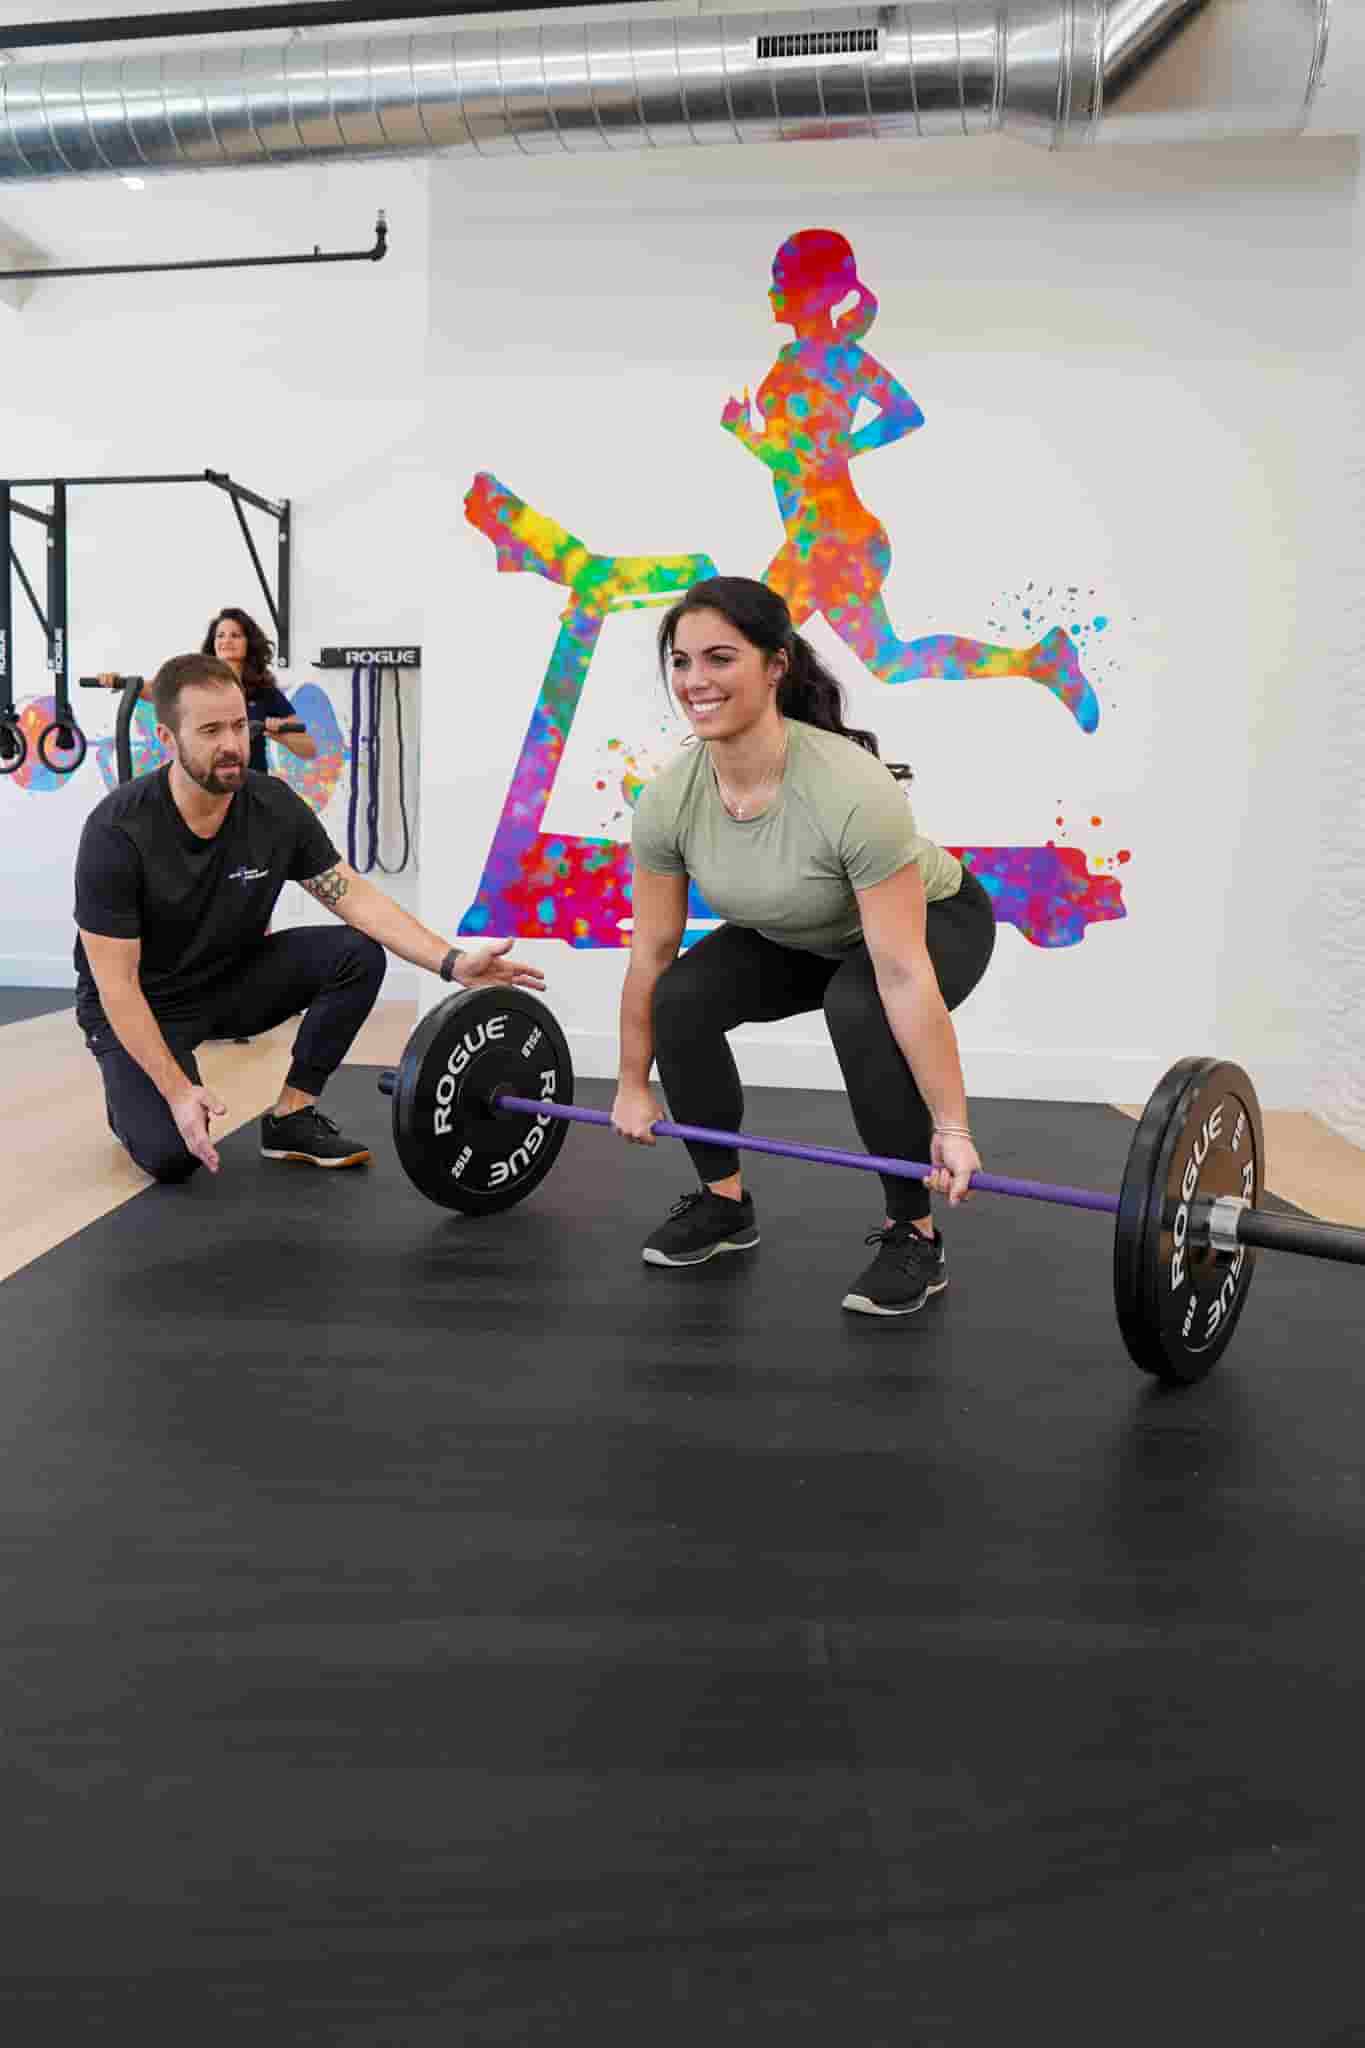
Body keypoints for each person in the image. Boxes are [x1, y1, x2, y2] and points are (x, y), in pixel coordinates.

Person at [611, 576, 997, 1317]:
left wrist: (952, 1126)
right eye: (682, 662)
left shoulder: (849, 788)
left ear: (776, 665)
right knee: (683, 998)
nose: (696, 681)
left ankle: (913, 1233)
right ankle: (724, 1204)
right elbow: (651, 955)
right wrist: (632, 1081)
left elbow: (900, 971)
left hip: (930, 924)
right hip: (797, 930)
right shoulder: (670, 798)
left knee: (859, 1006)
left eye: (720, 659)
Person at [74, 651, 544, 1185]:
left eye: (237, 725)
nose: (231, 744)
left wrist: (452, 961)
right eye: (209, 730)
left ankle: (292, 1115)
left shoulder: (272, 807)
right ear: (166, 739)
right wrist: (177, 1091)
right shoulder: (117, 831)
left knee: (356, 953)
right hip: (144, 1002)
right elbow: (116, 987)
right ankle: (133, 1096)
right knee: (170, 1157)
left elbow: (355, 899)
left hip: (227, 981)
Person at [720, 228, 1098, 732]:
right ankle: (1039, 662)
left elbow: (897, 416)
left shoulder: (837, 360)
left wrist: (816, 442)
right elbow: (793, 460)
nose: (772, 293)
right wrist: (750, 433)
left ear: (814, 292)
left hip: (830, 544)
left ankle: (767, 760)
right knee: (881, 661)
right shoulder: (797, 359)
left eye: (780, 281)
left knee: (747, 644)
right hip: (824, 542)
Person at [200, 606, 316, 774]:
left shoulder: (265, 692)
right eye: (220, 636)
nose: (226, 641)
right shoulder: (199, 689)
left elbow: (309, 750)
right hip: (210, 787)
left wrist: (278, 733)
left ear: (249, 643)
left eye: (235, 635)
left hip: (252, 787)